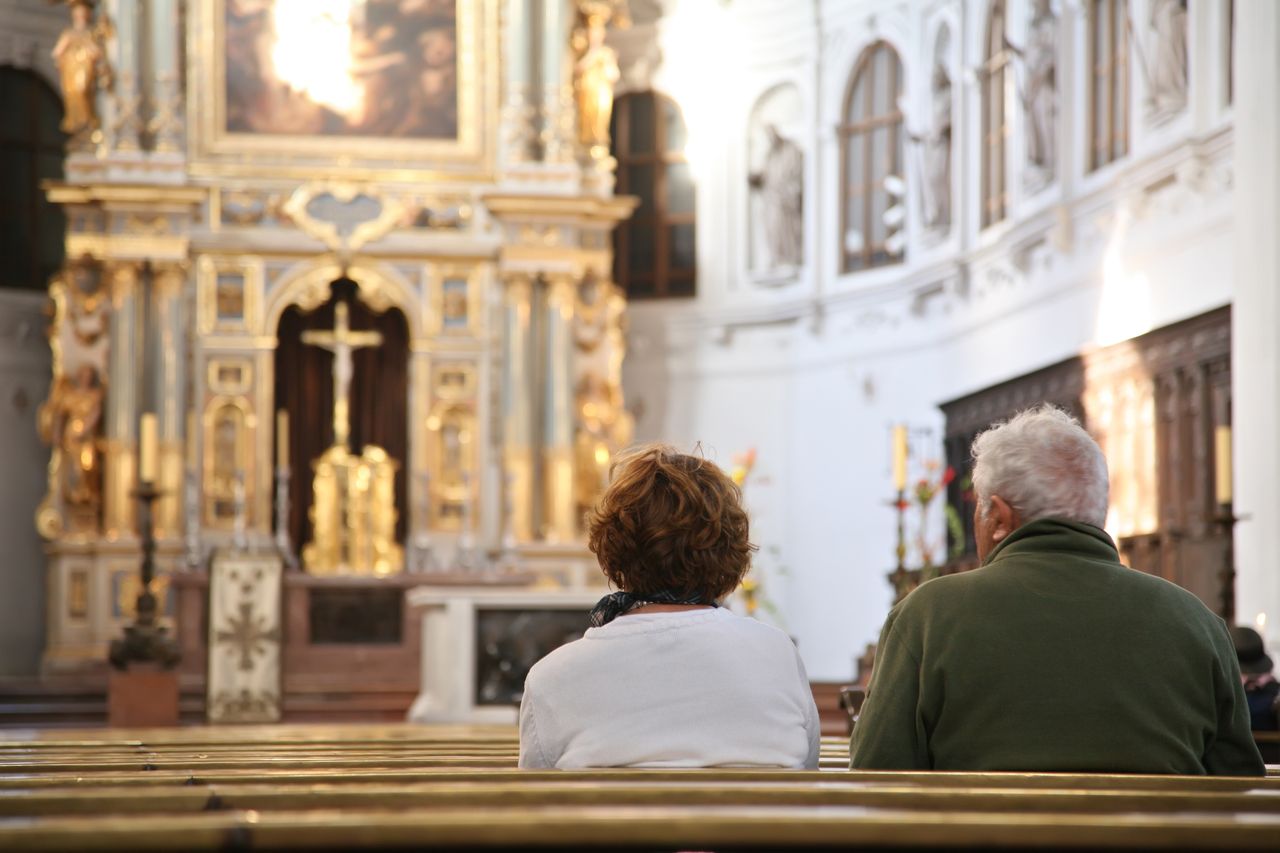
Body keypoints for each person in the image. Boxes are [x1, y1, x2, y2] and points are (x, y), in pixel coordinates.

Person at [850, 405, 1264, 776]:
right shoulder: (1197, 621)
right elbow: (1239, 782)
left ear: (998, 517)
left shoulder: (927, 615)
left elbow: (876, 772)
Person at [518, 444, 820, 769]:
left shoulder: (552, 677)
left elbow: (538, 806)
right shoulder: (777, 656)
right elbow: (808, 770)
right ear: (731, 550)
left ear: (610, 552)